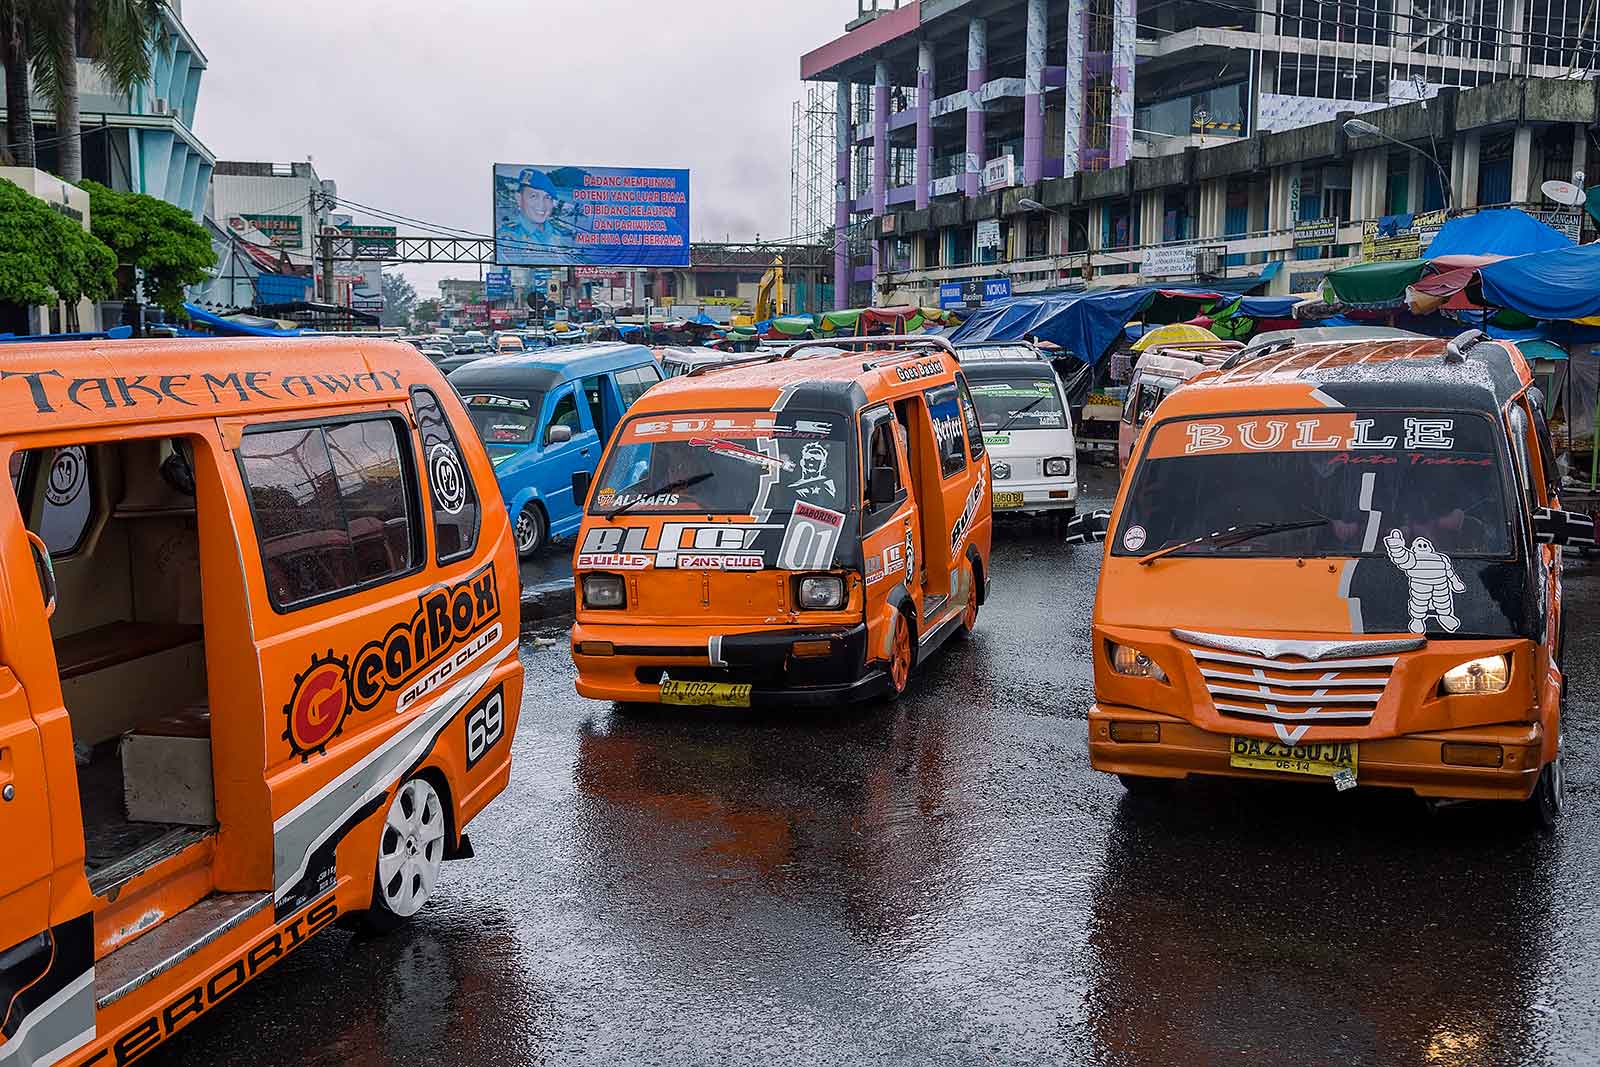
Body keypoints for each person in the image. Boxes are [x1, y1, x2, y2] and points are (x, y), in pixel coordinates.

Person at [502, 169, 565, 259]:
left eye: (547, 197)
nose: (542, 205)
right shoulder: (508, 236)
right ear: (519, 198)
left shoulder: (558, 234)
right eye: (534, 196)